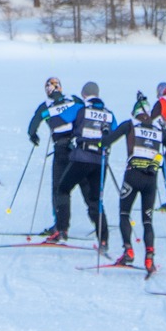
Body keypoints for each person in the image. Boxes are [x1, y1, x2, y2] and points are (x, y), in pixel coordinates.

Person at [103, 95, 165, 274]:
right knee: (147, 220)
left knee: (124, 213)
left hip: (132, 176)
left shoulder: (129, 125)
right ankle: (149, 257)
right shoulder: (158, 129)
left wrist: (105, 133)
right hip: (151, 179)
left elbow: (106, 142)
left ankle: (128, 251)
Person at [47, 82, 113, 247]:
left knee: (62, 189)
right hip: (100, 161)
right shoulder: (109, 114)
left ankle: (62, 230)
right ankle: (103, 239)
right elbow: (115, 132)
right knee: (95, 200)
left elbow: (57, 121)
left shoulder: (79, 108)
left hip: (81, 158)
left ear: (84, 94)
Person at [27, 76, 84, 237]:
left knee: (59, 188)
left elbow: (34, 123)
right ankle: (99, 223)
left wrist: (33, 136)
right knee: (86, 184)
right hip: (78, 148)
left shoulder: (46, 105)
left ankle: (60, 227)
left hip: (61, 149)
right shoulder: (73, 99)